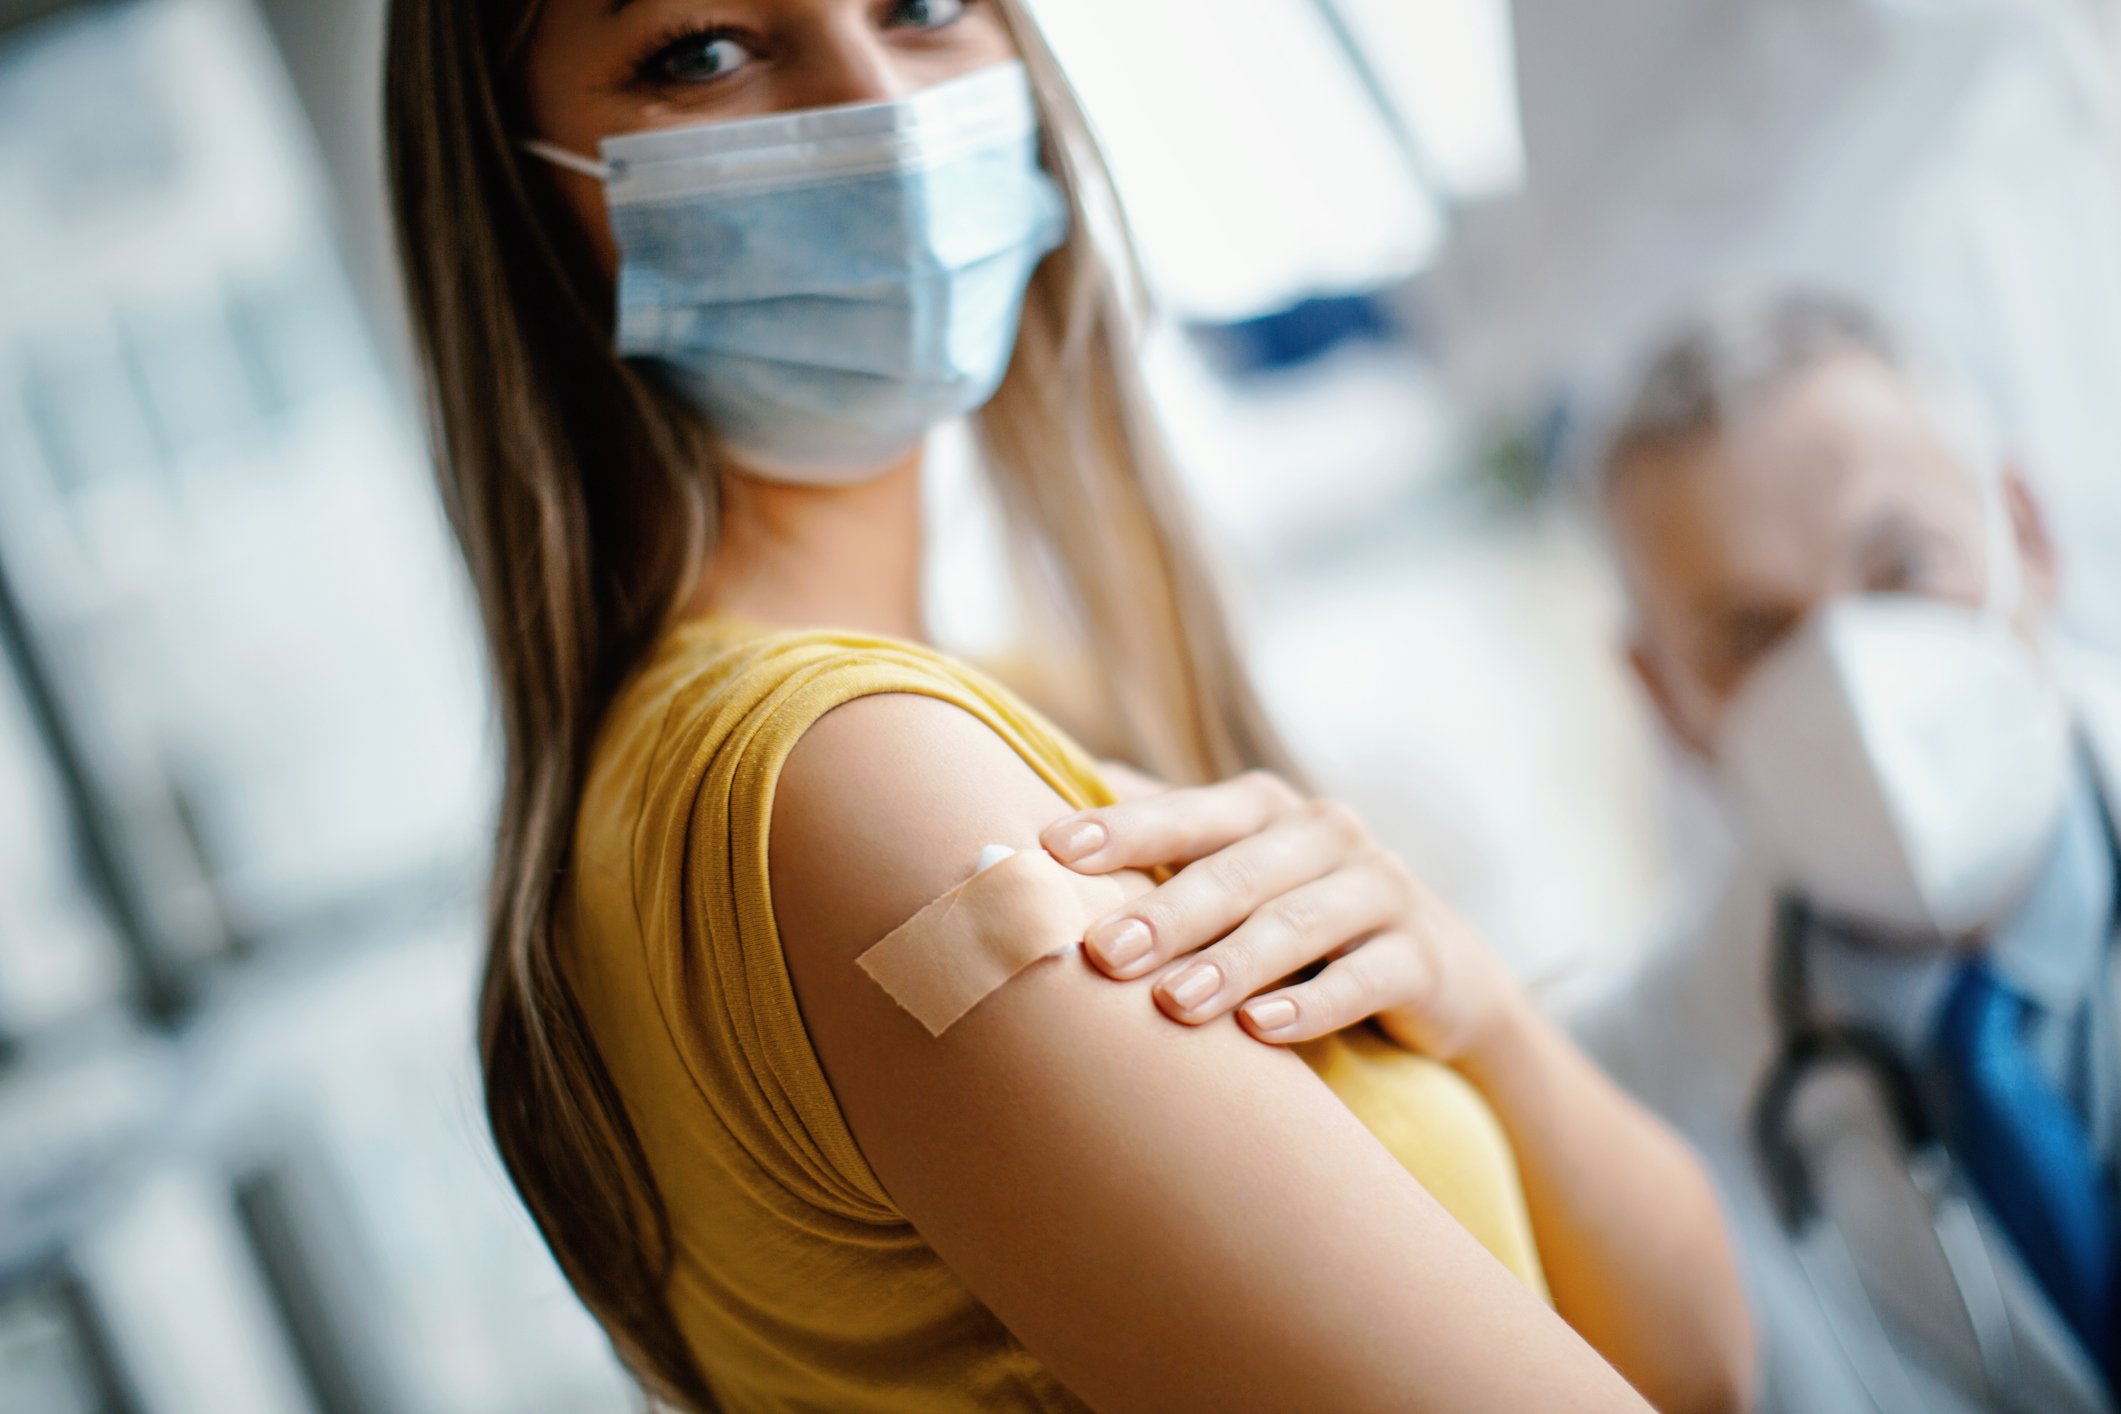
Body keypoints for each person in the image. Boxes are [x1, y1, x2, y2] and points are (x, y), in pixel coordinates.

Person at [384, 1, 1750, 1409]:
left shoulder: (956, 728)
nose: (878, 105)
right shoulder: (853, 781)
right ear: (521, 195)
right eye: (703, 52)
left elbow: (1707, 1361)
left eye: (924, 6)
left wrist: (1473, 998)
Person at [1581, 292, 2121, 1414]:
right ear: (1660, 696)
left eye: (1900, 568)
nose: (1853, 676)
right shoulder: (1621, 1096)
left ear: (2026, 533)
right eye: (1752, 633)